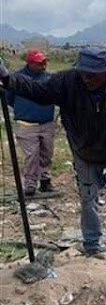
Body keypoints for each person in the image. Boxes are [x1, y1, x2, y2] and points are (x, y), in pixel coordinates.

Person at [0, 46, 106, 259]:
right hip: (85, 151)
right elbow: (40, 92)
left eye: (92, 75)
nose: (87, 79)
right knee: (88, 198)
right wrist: (9, 79)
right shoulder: (68, 81)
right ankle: (92, 246)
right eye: (83, 73)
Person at [6, 49, 56, 196]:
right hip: (26, 125)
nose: (43, 66)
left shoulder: (49, 78)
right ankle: (30, 185)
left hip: (46, 124)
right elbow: (9, 99)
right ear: (30, 63)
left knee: (46, 154)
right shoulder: (17, 78)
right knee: (32, 156)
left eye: (44, 62)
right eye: (39, 63)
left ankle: (45, 182)